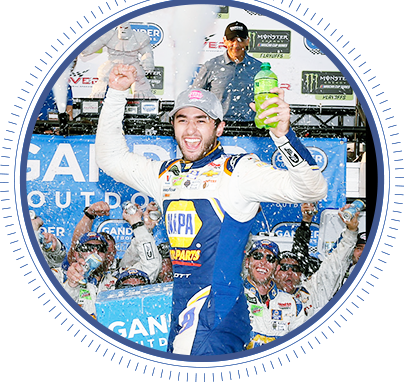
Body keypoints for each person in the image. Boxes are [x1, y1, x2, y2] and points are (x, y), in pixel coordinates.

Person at [95, 63, 327, 355]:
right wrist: (116, 93)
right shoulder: (166, 175)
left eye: (201, 120)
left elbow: (312, 189)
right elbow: (110, 158)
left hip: (217, 317)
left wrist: (283, 135)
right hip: (185, 315)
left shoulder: (238, 171)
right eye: (182, 120)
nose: (190, 130)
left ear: (219, 128)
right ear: (173, 126)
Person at [275, 204, 361, 318]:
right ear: (274, 271)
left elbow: (336, 262)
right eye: (284, 268)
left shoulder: (313, 292)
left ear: (301, 274)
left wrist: (351, 231)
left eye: (295, 269)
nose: (290, 272)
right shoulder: (261, 294)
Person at [191, 21, 262, 122]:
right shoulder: (211, 66)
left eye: (240, 40)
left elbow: (267, 100)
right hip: (217, 126)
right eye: (231, 40)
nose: (236, 45)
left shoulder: (258, 68)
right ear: (224, 41)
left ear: (247, 41)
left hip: (251, 126)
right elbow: (195, 97)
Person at [243, 239, 305, 349]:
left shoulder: (294, 305)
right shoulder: (234, 298)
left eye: (270, 258)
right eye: (257, 256)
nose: (263, 262)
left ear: (276, 269)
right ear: (247, 262)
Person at [80, 21, 155, 98]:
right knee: (104, 74)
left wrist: (148, 60)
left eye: (126, 28)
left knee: (140, 77)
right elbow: (88, 49)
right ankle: (99, 90)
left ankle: (142, 91)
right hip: (114, 62)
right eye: (121, 28)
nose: (123, 30)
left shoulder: (139, 38)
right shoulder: (109, 36)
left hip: (132, 63)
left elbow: (146, 52)